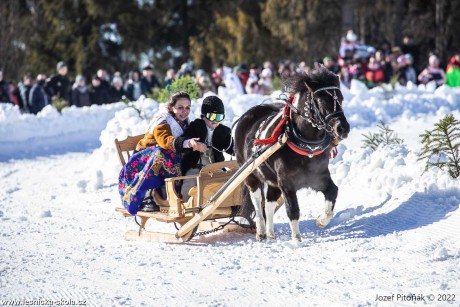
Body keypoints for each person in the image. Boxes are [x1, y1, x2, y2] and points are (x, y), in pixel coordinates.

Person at [118, 91, 206, 214]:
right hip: (143, 161)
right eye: (180, 107)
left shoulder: (184, 121)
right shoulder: (163, 120)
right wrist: (188, 143)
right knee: (162, 153)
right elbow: (165, 141)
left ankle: (180, 193)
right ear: (171, 107)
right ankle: (147, 195)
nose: (184, 111)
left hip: (163, 160)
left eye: (187, 108)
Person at [180, 96, 234, 200]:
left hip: (215, 168)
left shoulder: (223, 131)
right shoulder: (195, 126)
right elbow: (183, 142)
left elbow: (231, 147)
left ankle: (231, 203)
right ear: (203, 116)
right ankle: (186, 205)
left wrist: (239, 149)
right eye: (212, 116)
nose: (215, 121)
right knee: (188, 188)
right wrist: (194, 145)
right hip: (196, 168)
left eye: (219, 117)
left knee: (229, 185)